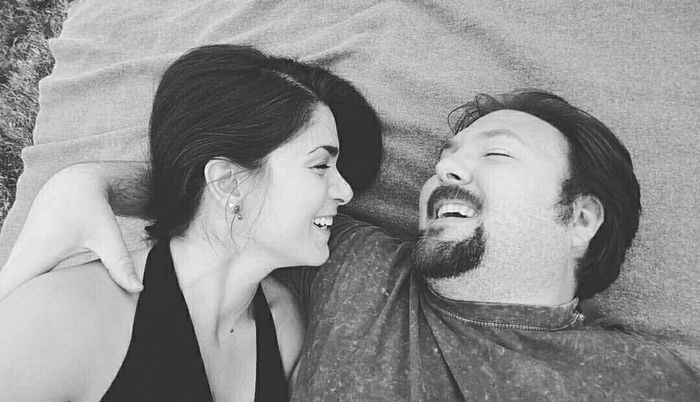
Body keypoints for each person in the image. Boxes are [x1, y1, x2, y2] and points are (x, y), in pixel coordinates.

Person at [2, 91, 699, 400]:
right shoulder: (355, 266)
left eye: (496, 153)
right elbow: (250, 193)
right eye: (445, 158)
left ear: (581, 217)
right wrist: (90, 181)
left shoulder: (652, 380)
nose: (446, 170)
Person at [0, 44, 382, 401]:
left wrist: (88, 181)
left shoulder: (286, 328)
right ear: (228, 182)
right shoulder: (63, 318)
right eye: (320, 165)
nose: (345, 192)